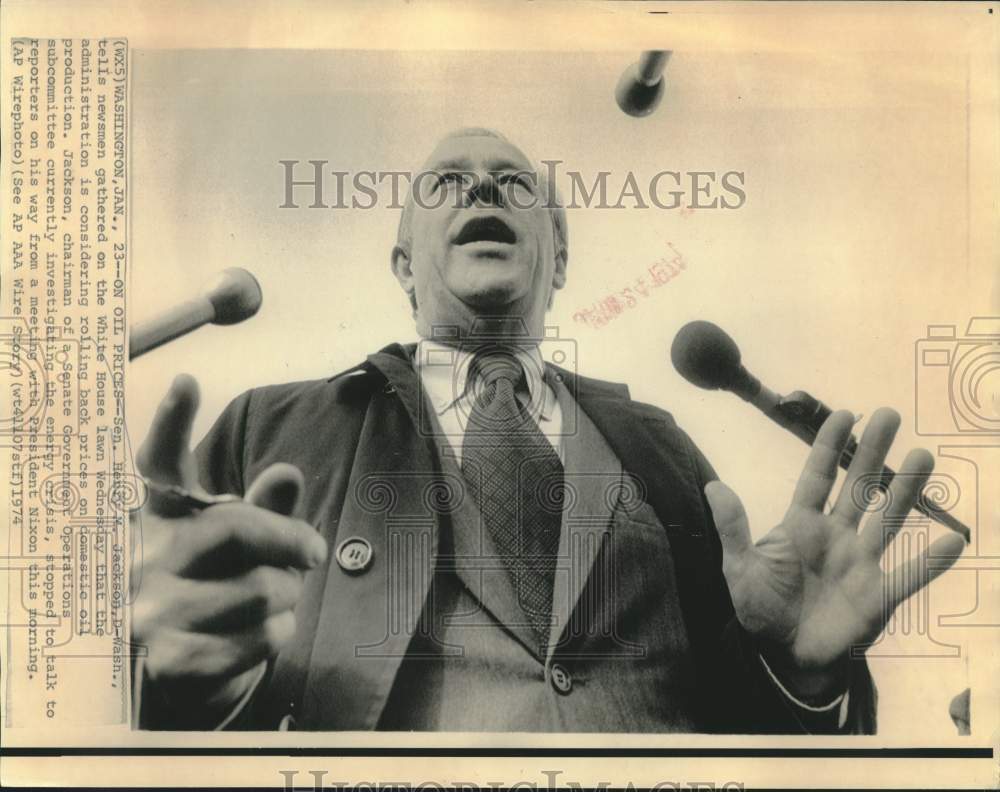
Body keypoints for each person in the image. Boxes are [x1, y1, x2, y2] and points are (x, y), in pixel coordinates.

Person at [131, 128, 964, 732]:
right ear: (402, 268)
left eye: (515, 182)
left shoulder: (661, 444)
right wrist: (180, 682)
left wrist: (797, 674)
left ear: (558, 262)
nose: (484, 189)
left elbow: (760, 731)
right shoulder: (270, 429)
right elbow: (155, 680)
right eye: (447, 181)